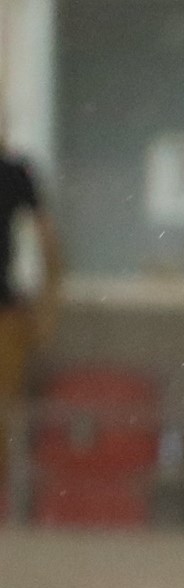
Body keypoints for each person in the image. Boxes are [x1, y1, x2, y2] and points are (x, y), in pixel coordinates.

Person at [0, 141, 60, 508]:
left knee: (7, 416)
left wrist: (47, 306)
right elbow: (48, 242)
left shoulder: (14, 172)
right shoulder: (14, 173)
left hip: (6, 314)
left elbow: (48, 242)